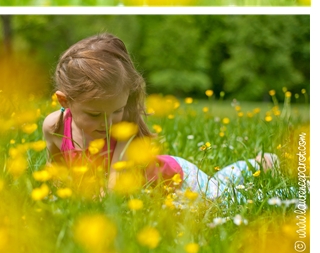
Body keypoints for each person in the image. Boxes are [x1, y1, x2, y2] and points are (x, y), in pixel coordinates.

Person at [41, 34, 278, 200]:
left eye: (116, 110)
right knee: (221, 185)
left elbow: (113, 189)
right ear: (65, 101)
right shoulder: (55, 126)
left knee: (227, 199)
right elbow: (57, 172)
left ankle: (263, 166)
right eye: (94, 114)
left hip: (178, 182)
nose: (107, 122)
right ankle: (258, 163)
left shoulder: (124, 128)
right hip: (155, 194)